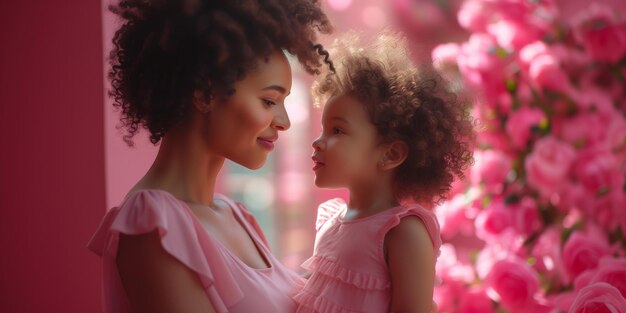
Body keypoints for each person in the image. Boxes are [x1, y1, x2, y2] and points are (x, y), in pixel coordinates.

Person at [87, 0, 333, 312]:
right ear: (205, 93)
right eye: (269, 101)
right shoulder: (153, 223)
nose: (283, 122)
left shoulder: (237, 216)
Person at [293, 32, 475, 313]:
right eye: (322, 129)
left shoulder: (403, 233)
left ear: (390, 154)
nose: (318, 142)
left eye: (337, 131)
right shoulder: (329, 222)